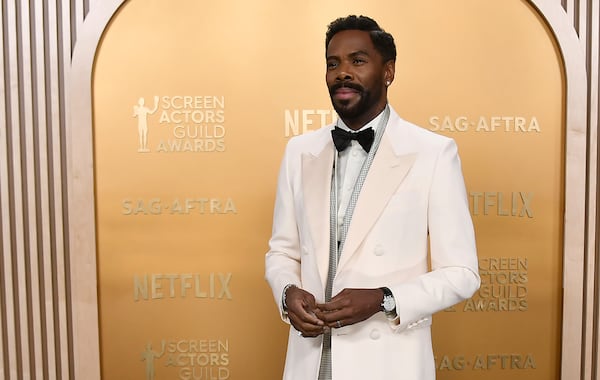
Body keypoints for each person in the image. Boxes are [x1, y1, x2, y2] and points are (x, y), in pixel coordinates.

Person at [265, 15, 480, 380]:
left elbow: (462, 273)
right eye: (333, 64)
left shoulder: (433, 153)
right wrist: (287, 292)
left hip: (388, 362)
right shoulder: (300, 152)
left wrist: (384, 298)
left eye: (357, 61)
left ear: (388, 71)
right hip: (310, 360)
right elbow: (282, 251)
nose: (342, 73)